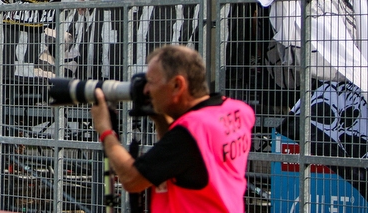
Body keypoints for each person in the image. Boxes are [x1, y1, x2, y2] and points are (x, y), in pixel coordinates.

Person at [90, 45, 254, 213]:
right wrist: (160, 117)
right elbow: (184, 162)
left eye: (152, 82)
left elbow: (132, 180)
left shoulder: (191, 132)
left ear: (177, 85)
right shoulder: (239, 111)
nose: (146, 89)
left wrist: (105, 130)